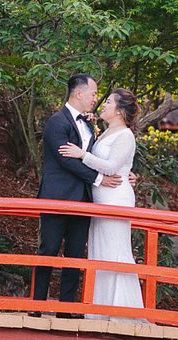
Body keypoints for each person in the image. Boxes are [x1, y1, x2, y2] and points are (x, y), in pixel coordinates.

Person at [32, 74, 122, 316]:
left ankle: (66, 308)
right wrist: (99, 179)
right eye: (93, 94)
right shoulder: (56, 122)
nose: (95, 98)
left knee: (75, 254)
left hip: (83, 199)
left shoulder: (88, 124)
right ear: (78, 93)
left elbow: (96, 157)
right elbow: (66, 160)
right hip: (57, 197)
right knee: (48, 250)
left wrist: (125, 172)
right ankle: (36, 306)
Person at [58, 88, 143, 315]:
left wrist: (82, 154)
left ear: (120, 110)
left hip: (115, 198)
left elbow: (112, 167)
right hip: (101, 199)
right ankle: (100, 309)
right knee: (101, 251)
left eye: (109, 102)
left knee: (115, 251)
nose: (103, 104)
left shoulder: (125, 135)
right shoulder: (106, 132)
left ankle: (121, 311)